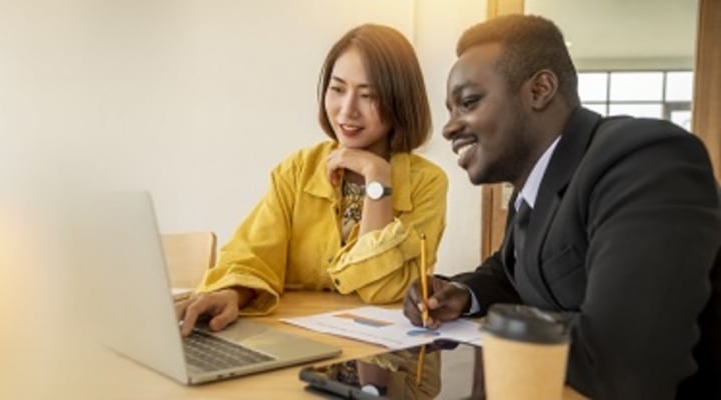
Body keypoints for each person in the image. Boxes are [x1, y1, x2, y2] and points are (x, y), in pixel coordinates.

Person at [402, 14, 721, 399]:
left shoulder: (644, 158)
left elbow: (625, 352)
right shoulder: (533, 190)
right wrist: (459, 293)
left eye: (468, 102)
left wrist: (501, 329)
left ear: (540, 89)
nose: (450, 128)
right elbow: (511, 273)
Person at [179, 24, 448, 335]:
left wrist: (377, 178)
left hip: (385, 354)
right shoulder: (298, 169)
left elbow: (382, 290)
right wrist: (232, 294)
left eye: (368, 95)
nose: (347, 110)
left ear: (399, 100)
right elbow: (252, 255)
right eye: (337, 89)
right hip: (294, 340)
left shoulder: (428, 183)